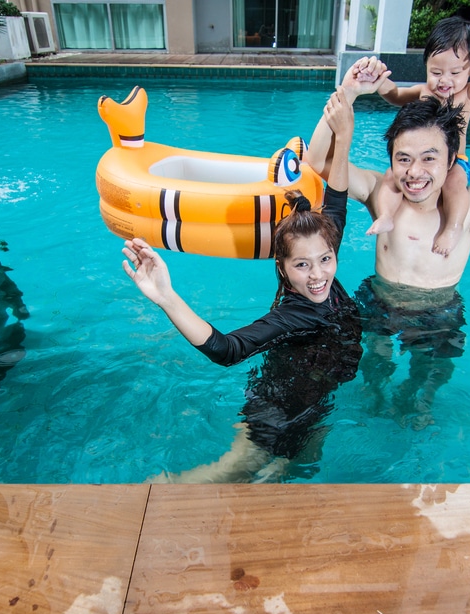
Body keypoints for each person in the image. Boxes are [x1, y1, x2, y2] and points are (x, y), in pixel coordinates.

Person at [304, 55, 470, 428]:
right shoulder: (378, 193)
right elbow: (315, 163)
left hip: (440, 312)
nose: (414, 173)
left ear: (452, 162)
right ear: (392, 162)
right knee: (373, 372)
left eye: (429, 159)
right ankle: (377, 395)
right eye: (404, 159)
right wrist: (347, 93)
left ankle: (421, 401)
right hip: (379, 300)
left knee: (425, 384)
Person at [122, 91, 361, 482]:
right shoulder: (293, 315)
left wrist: (345, 135)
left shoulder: (324, 266)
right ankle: (153, 495)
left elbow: (336, 202)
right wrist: (166, 297)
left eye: (325, 260)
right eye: (302, 265)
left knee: (297, 463)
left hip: (313, 400)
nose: (317, 275)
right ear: (282, 268)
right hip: (278, 406)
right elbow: (227, 350)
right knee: (231, 470)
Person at [362, 17, 470, 258]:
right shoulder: (422, 91)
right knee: (391, 175)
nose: (444, 81)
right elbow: (395, 94)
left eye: (455, 72)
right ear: (426, 67)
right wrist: (378, 81)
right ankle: (386, 216)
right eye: (436, 72)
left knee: (455, 182)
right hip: (425, 161)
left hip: (456, 160)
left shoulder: (469, 92)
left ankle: (453, 227)